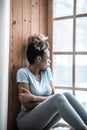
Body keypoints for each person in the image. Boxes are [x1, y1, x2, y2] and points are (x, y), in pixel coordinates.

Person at [16, 34, 87, 130]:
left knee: (66, 95)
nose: (49, 61)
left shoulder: (47, 72)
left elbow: (53, 98)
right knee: (59, 98)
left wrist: (34, 97)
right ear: (39, 59)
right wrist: (48, 101)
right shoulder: (23, 73)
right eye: (48, 57)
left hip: (45, 122)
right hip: (27, 121)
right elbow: (28, 105)